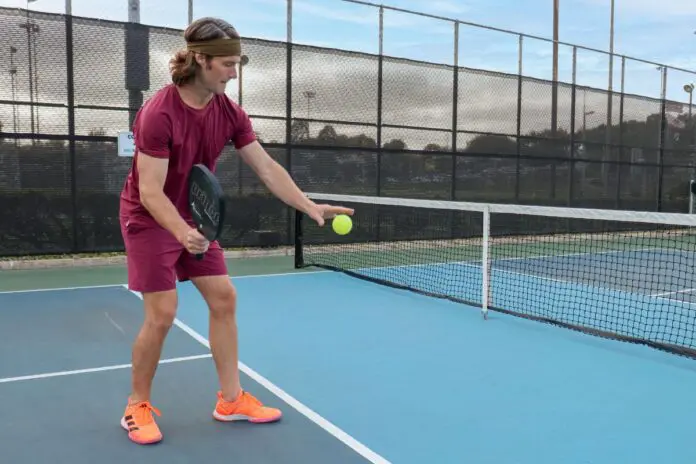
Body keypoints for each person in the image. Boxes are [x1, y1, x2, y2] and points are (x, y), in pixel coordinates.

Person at [118, 17, 354, 445]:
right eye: (227, 63)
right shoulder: (158, 113)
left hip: (192, 212)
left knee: (224, 298)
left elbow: (265, 167)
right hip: (150, 218)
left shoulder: (229, 112)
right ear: (200, 61)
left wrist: (308, 205)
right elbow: (150, 191)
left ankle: (230, 400)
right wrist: (180, 231)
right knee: (163, 313)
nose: (234, 71)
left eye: (236, 62)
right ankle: (137, 405)